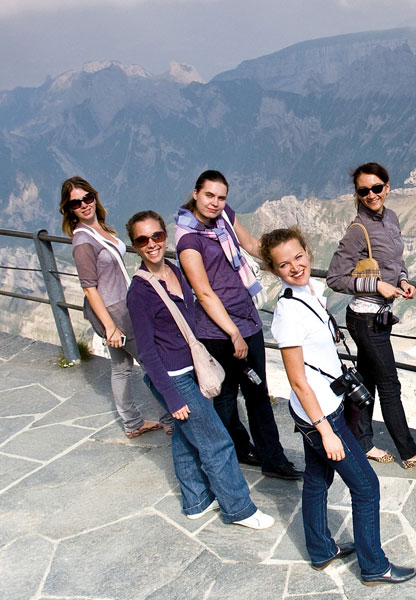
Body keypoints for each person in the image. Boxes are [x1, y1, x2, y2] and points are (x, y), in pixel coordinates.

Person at [263, 226, 416, 585]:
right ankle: (374, 567)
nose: (295, 266)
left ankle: (320, 550)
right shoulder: (287, 314)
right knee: (366, 487)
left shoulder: (308, 291)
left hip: (321, 407)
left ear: (307, 252)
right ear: (274, 270)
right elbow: (297, 380)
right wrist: (326, 431)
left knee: (317, 478)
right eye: (284, 264)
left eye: (298, 257)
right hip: (320, 415)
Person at [126, 210, 273, 528]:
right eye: (142, 239)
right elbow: (146, 353)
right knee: (217, 441)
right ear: (135, 245)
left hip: (191, 368)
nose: (151, 244)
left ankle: (195, 501)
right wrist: (172, 399)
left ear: (165, 236)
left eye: (157, 236)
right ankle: (239, 509)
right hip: (173, 378)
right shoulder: (139, 293)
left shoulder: (176, 271)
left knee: (185, 435)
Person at [175, 170, 300, 480]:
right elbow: (203, 293)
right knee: (225, 396)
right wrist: (233, 333)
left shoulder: (224, 219)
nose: (215, 203)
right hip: (218, 331)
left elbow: (253, 246)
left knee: (257, 392)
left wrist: (289, 265)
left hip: (247, 317)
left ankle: (271, 458)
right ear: (195, 193)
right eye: (209, 195)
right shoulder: (188, 240)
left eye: (221, 197)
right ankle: (234, 452)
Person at [327, 162, 416, 469]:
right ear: (358, 195)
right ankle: (409, 451)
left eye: (377, 188)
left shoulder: (391, 218)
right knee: (390, 385)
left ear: (387, 187)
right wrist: (375, 285)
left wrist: (402, 280)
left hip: (378, 317)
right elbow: (335, 278)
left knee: (367, 380)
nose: (372, 195)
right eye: (364, 191)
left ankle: (361, 442)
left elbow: (395, 260)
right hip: (365, 318)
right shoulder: (356, 231)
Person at [60, 176, 171, 439]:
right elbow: (89, 287)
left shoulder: (99, 229)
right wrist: (111, 326)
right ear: (70, 209)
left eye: (87, 197)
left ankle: (132, 422)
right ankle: (171, 418)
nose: (84, 204)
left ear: (94, 196)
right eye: (76, 202)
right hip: (117, 311)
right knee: (150, 360)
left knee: (121, 367)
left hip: (121, 305)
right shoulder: (83, 242)